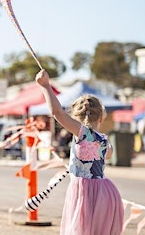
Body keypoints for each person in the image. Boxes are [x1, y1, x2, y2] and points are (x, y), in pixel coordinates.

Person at [35, 69, 123, 235]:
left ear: (76, 117)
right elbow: (106, 155)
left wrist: (46, 86)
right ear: (102, 117)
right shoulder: (104, 140)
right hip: (106, 193)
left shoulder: (83, 133)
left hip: (85, 194)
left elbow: (57, 113)